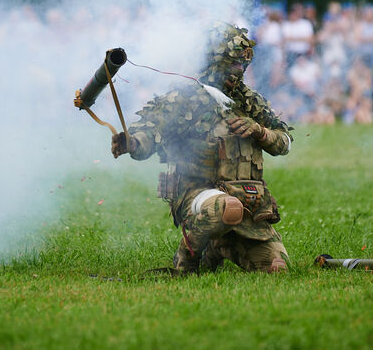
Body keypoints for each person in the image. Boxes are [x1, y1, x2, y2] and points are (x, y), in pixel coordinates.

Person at [111, 24, 293, 274]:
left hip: (248, 203)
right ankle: (187, 258)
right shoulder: (185, 98)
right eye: (232, 62)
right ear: (213, 60)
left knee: (277, 267)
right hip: (198, 194)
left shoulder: (249, 101)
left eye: (242, 62)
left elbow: (284, 142)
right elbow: (151, 131)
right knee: (225, 208)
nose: (239, 69)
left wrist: (260, 131)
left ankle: (219, 246)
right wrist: (132, 142)